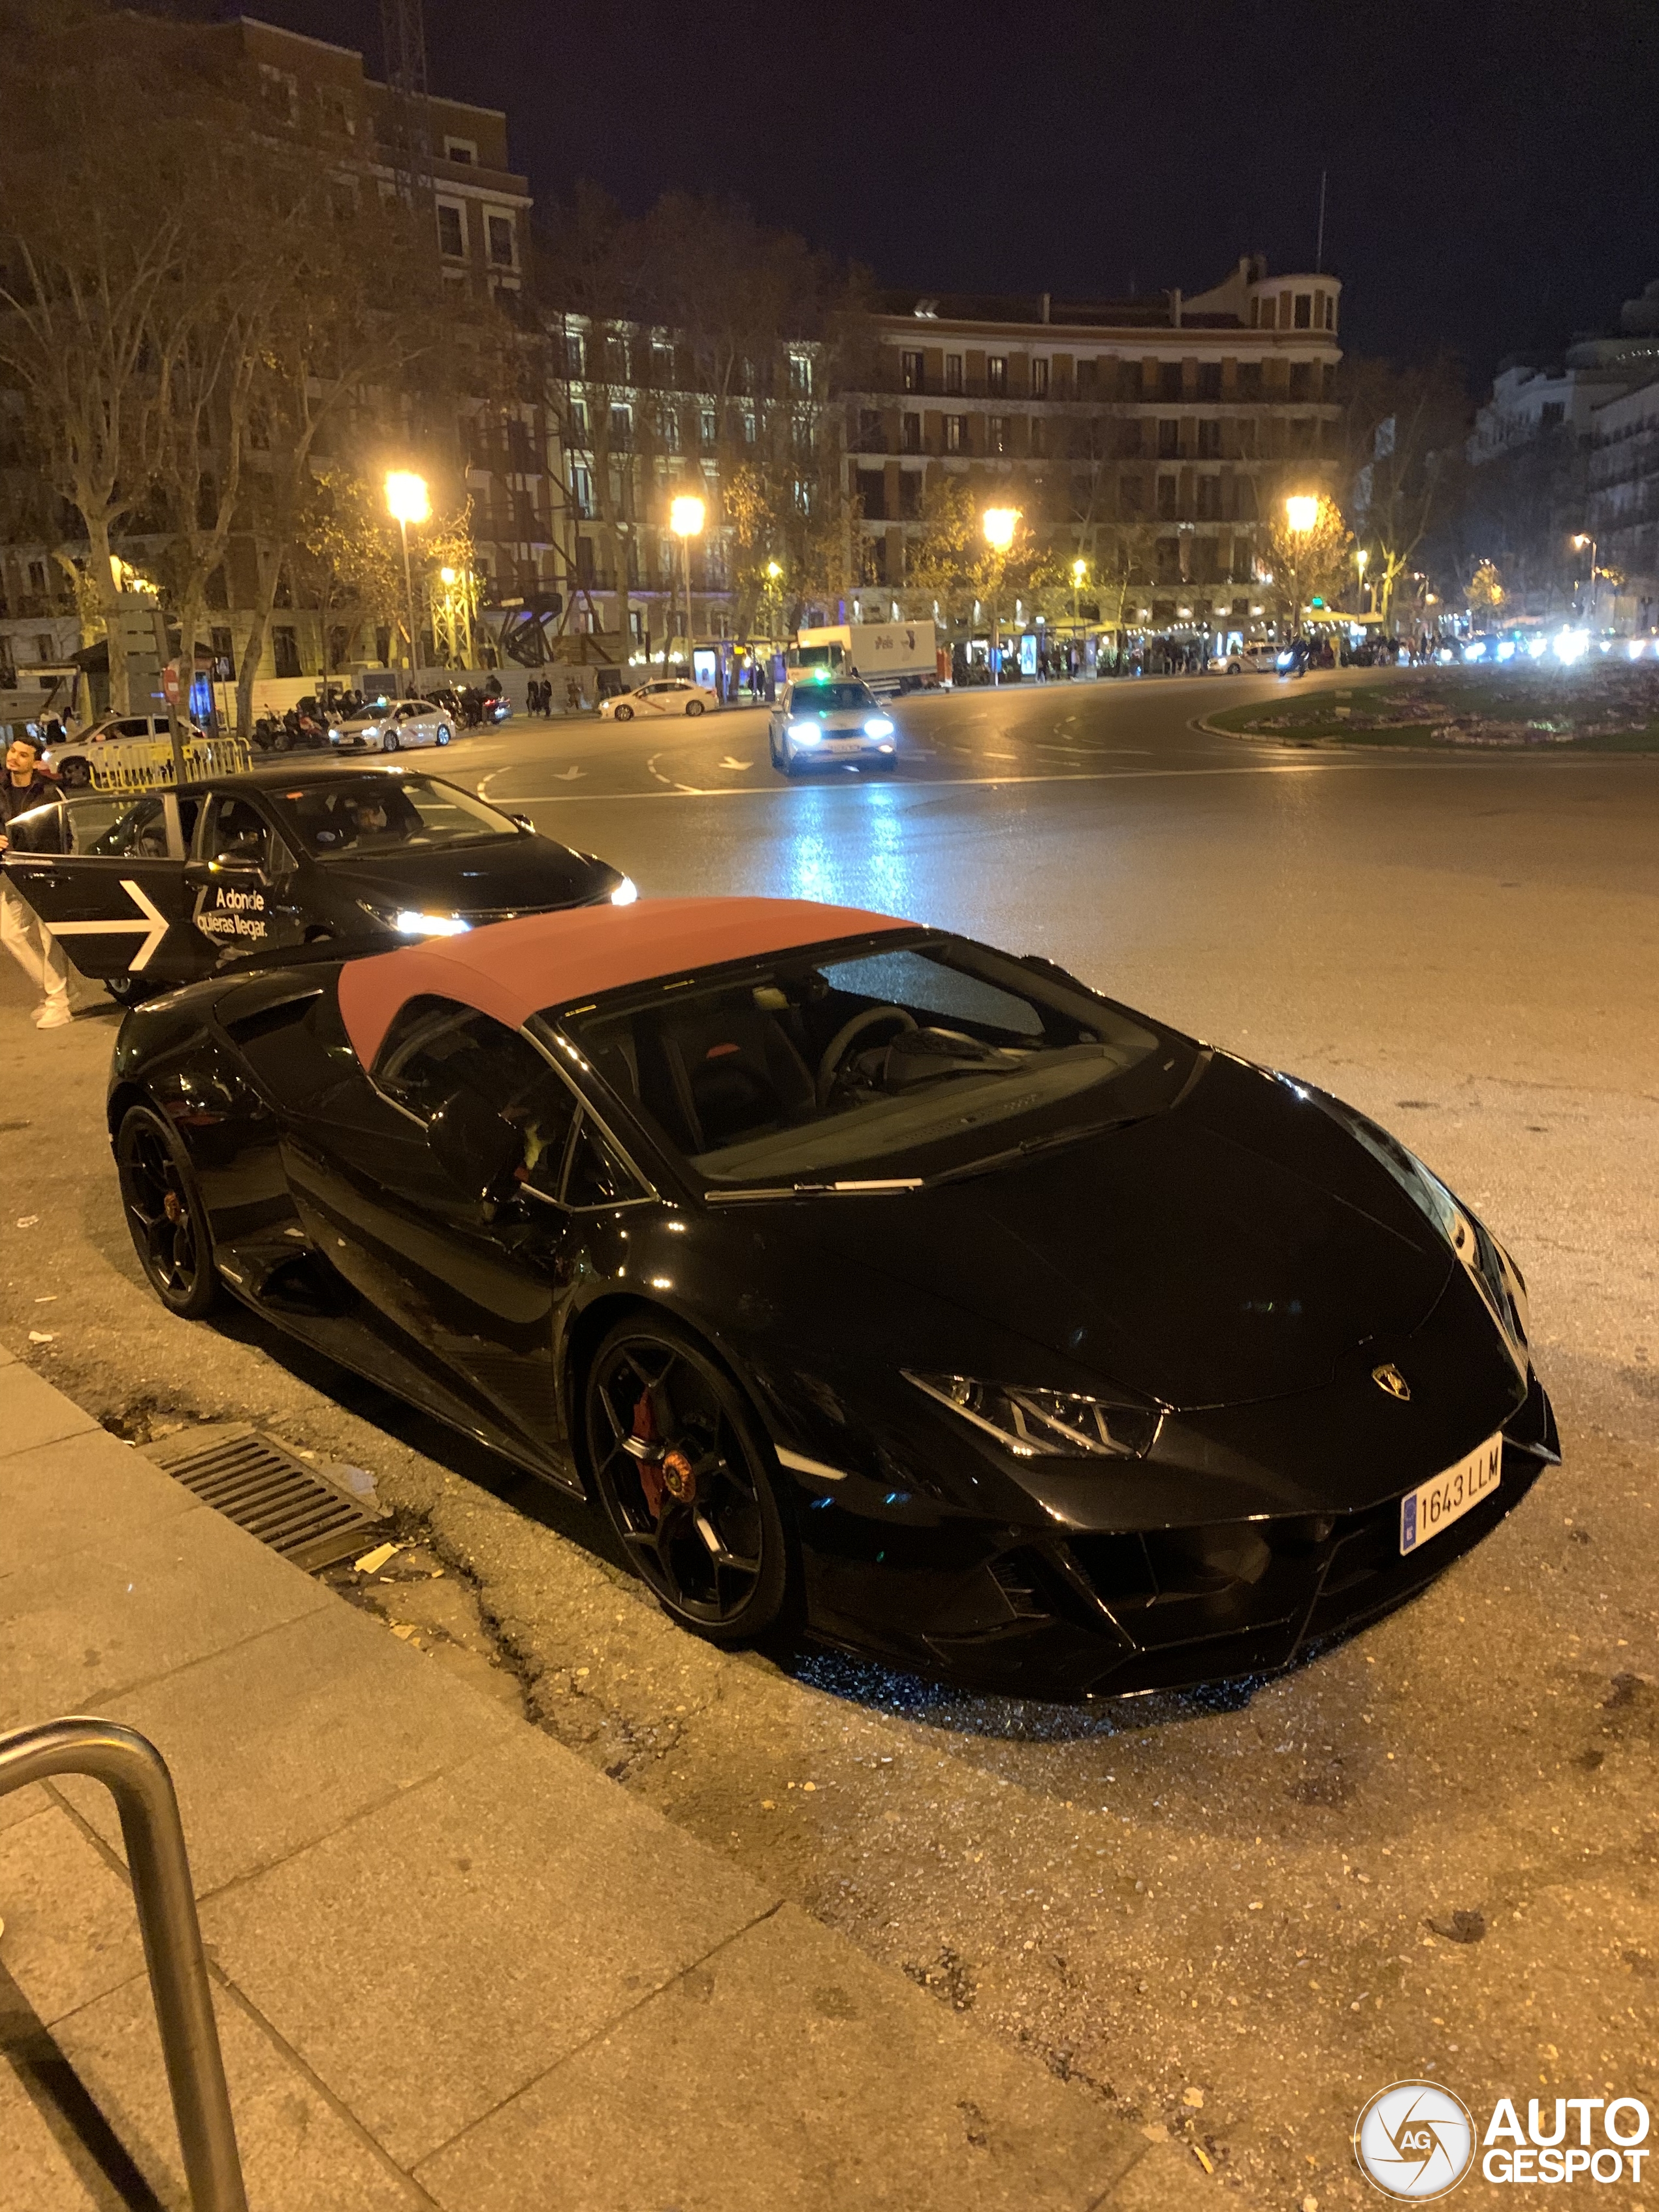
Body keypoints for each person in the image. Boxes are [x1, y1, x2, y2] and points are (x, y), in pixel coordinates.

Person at [0, 735, 73, 1027]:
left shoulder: (50, 793)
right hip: (11, 872)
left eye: (23, 755)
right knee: (9, 933)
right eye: (13, 751)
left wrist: (61, 867)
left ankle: (59, 1004)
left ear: (35, 762)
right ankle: (57, 992)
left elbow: (66, 832)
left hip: (43, 871)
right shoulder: (1, 790)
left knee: (49, 939)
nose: (14, 757)